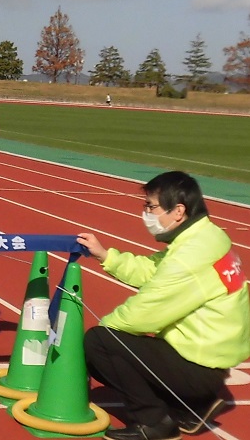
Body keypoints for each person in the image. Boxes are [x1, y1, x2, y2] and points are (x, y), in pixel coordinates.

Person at [77, 171, 250, 440]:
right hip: (210, 358)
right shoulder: (206, 236)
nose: (146, 213)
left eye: (151, 207)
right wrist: (106, 255)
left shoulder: (190, 255)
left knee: (100, 344)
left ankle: (154, 423)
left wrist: (99, 338)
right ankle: (191, 404)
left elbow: (145, 312)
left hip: (199, 364)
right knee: (109, 344)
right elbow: (153, 271)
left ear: (178, 211)